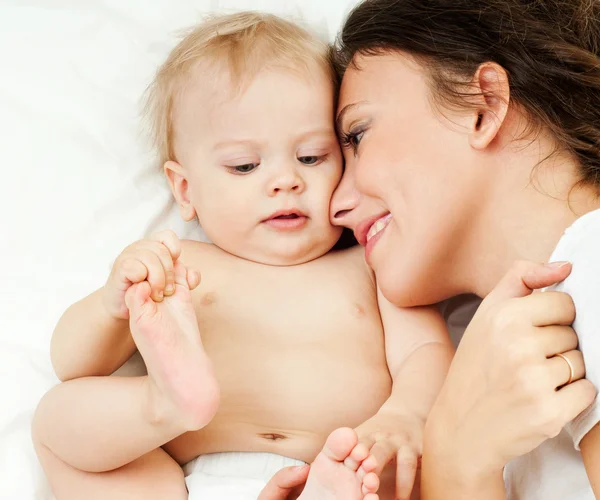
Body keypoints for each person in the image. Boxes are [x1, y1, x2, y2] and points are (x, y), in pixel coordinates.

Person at [31, 11, 454, 500]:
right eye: (245, 165)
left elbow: (426, 353)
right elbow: (71, 362)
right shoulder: (177, 263)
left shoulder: (370, 263)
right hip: (183, 482)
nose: (285, 180)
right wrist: (111, 306)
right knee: (59, 414)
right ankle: (165, 406)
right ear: (185, 190)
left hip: (337, 469)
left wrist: (403, 415)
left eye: (312, 156)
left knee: (399, 471)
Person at [314, 0, 600, 498]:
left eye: (358, 135)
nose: (335, 205)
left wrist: (455, 457)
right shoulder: (484, 360)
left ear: (482, 107)